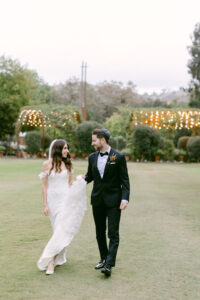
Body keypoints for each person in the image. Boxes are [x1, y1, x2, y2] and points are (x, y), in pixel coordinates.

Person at [84, 128, 130, 277]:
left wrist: (125, 198)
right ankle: (103, 258)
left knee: (113, 233)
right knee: (99, 232)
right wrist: (78, 182)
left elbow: (125, 180)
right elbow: (89, 177)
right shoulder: (92, 157)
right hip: (97, 200)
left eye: (94, 140)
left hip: (114, 201)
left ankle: (109, 264)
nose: (92, 143)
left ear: (102, 140)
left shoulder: (119, 157)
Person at [37, 139, 87, 275]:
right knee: (57, 229)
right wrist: (45, 204)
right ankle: (58, 257)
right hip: (53, 201)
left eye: (67, 148)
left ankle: (50, 262)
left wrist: (79, 180)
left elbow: (69, 183)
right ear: (58, 149)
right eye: (65, 148)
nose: (67, 151)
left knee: (61, 229)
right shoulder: (46, 164)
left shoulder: (69, 164)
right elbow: (44, 186)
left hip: (65, 200)